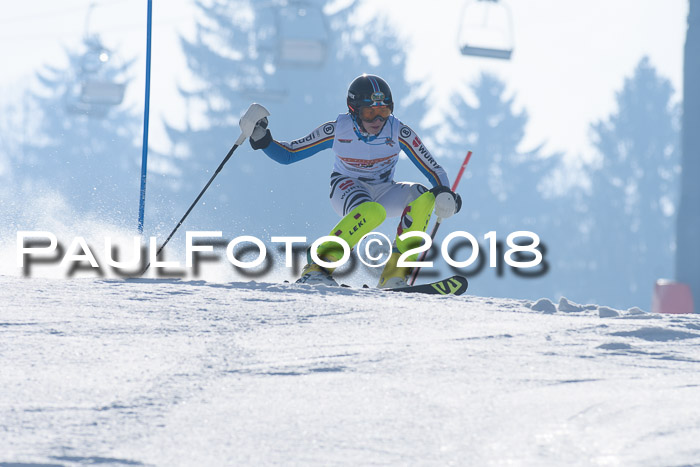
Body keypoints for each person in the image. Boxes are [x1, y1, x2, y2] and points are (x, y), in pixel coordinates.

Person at [248, 74, 461, 287]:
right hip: (347, 187)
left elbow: (433, 168)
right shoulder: (337, 129)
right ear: (354, 110)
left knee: (423, 196)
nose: (377, 121)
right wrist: (263, 139)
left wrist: (444, 193)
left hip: (385, 189)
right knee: (372, 211)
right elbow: (290, 154)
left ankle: (395, 275)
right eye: (370, 113)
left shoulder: (398, 131)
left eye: (384, 112)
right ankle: (317, 268)